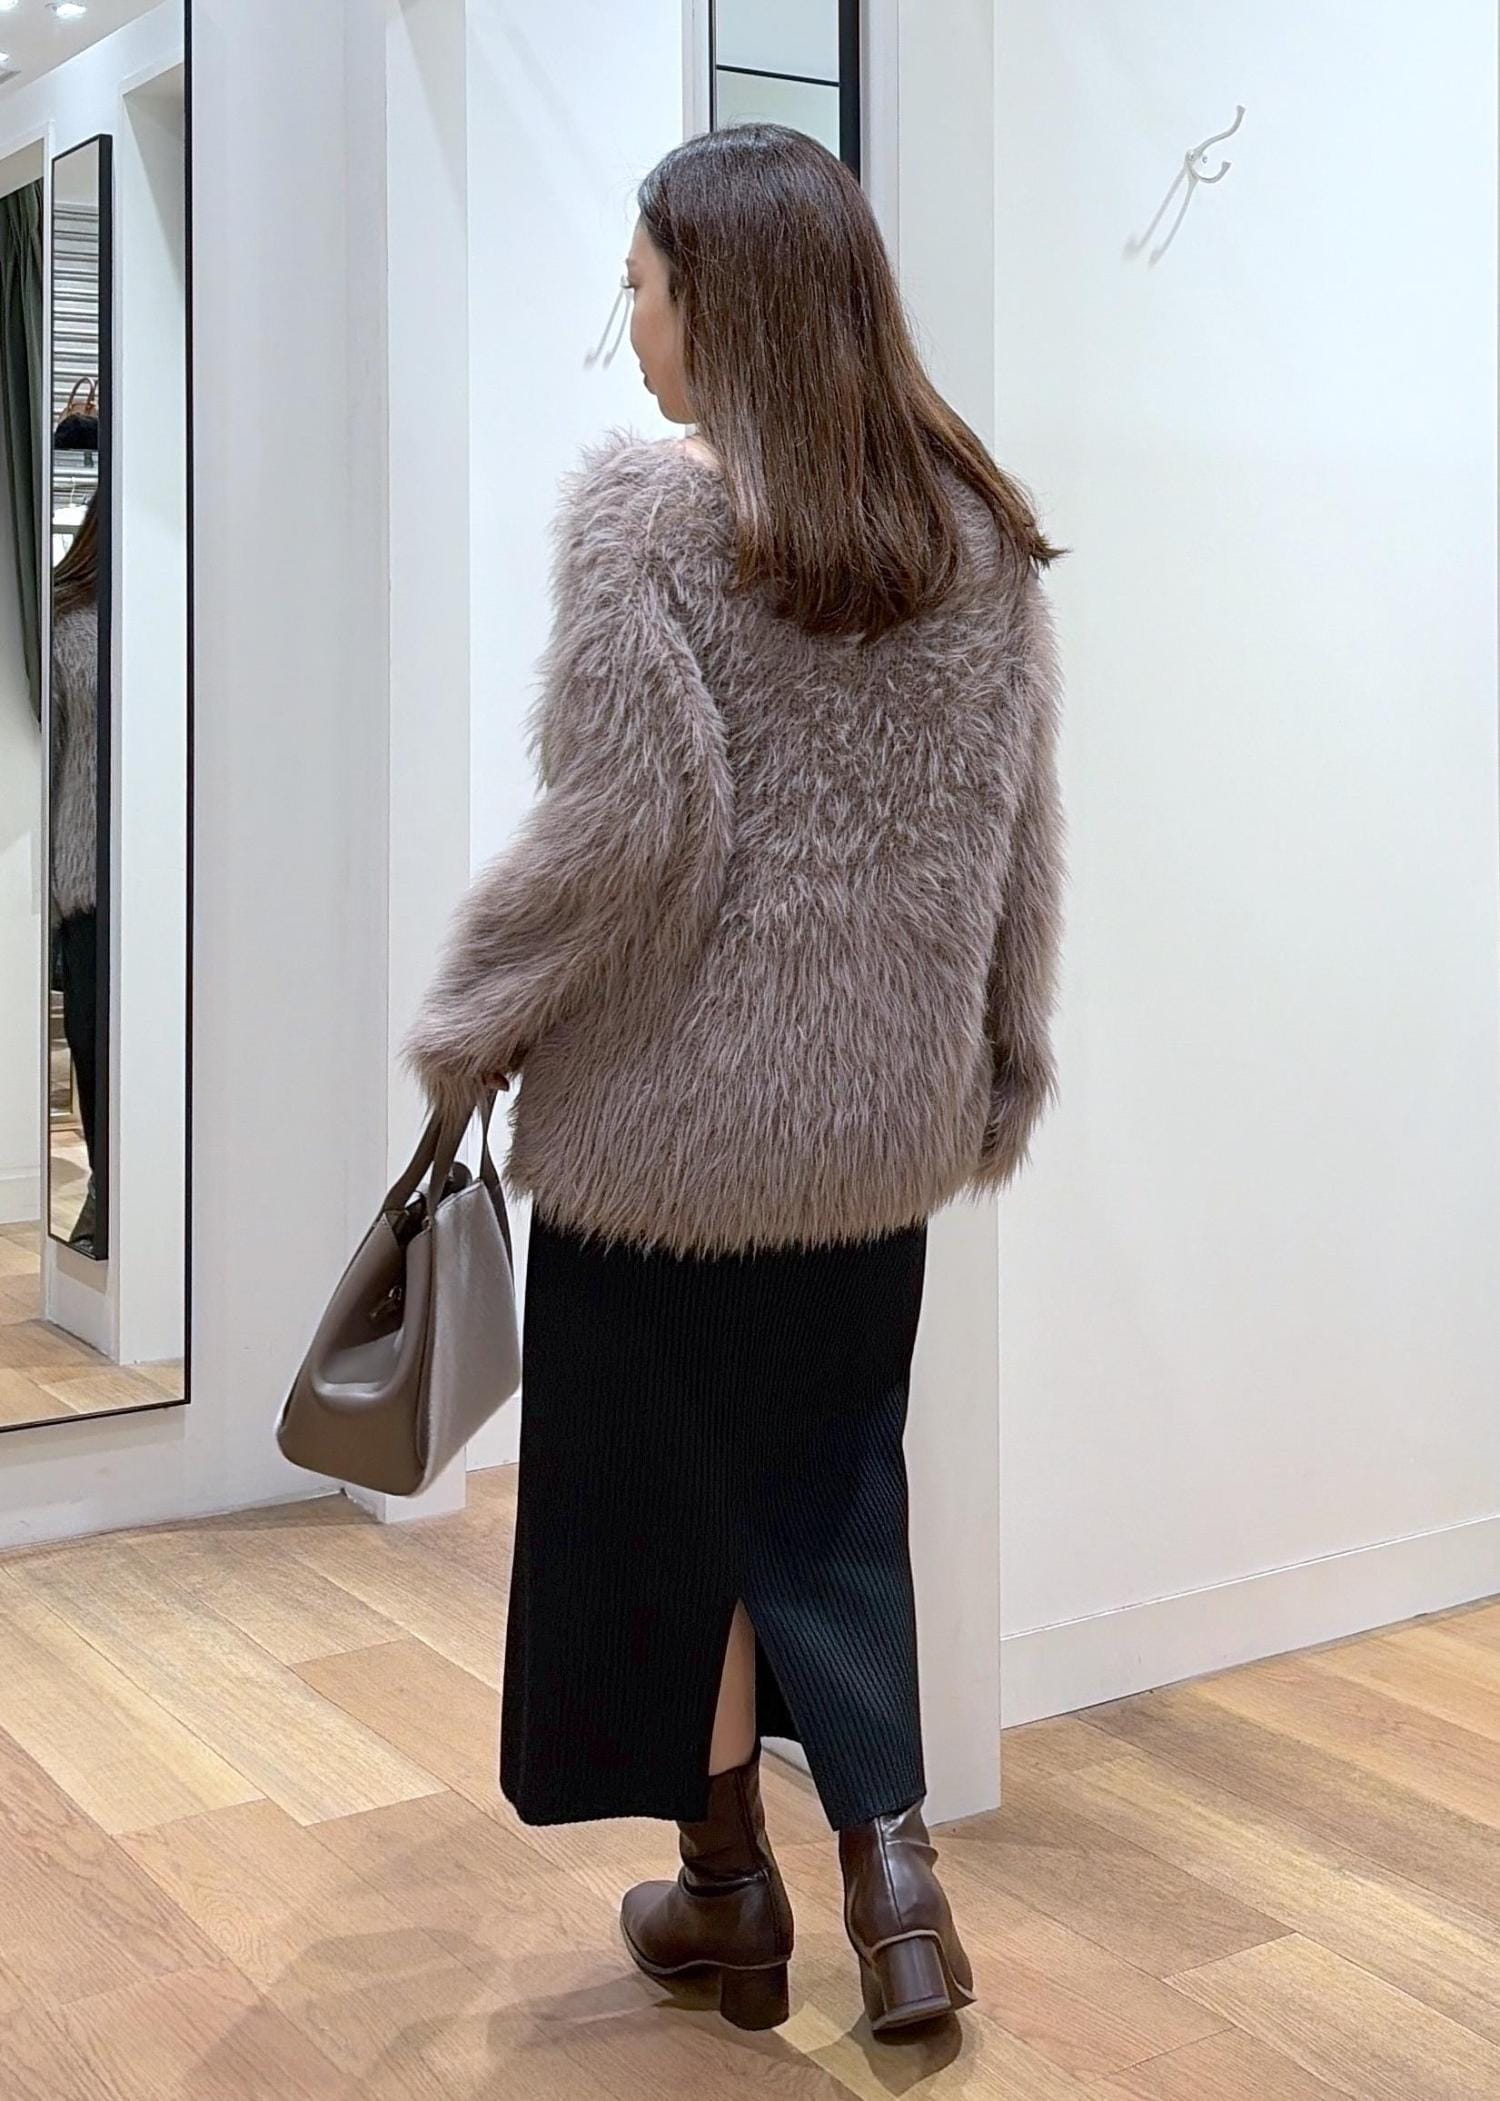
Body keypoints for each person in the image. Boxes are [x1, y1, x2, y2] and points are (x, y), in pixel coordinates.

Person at [404, 123, 1065, 2038]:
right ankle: (899, 1892)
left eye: (640, 287)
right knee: (836, 1496)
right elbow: (1018, 844)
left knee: (674, 1523)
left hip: (667, 1144)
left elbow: (623, 836)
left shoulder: (649, 523)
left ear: (723, 302)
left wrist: (475, 1022)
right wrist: (1000, 1061)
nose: (630, 326)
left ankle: (727, 1894)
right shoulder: (978, 538)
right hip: (871, 1139)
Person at [50, 491, 102, 1255]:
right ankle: (106, 1186)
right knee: (93, 1047)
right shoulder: (67, 628)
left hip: (176, 882)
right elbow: (54, 759)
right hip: (88, 876)